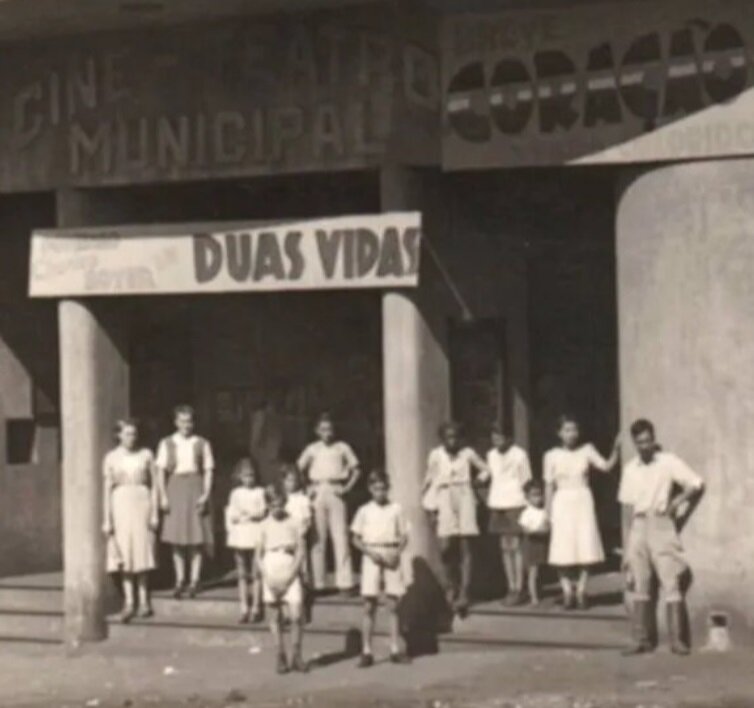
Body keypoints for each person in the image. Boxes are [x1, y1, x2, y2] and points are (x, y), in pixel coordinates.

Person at [619, 419, 704, 656]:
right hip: (638, 525)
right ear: (634, 443)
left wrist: (677, 502)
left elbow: (696, 483)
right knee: (640, 582)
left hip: (661, 523)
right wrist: (628, 543)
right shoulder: (630, 468)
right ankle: (640, 639)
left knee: (671, 581)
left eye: (647, 440)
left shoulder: (668, 462)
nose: (644, 446)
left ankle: (677, 641)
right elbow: (626, 506)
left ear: (654, 439)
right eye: (639, 442)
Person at [544, 415, 619, 610]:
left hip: (582, 501)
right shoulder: (551, 455)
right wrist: (547, 513)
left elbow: (606, 466)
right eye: (567, 430)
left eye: (574, 430)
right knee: (562, 548)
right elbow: (549, 486)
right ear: (559, 433)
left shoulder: (587, 450)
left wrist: (617, 448)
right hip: (562, 502)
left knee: (586, 546)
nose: (571, 434)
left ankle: (581, 591)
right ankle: (567, 590)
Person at [423, 421, 489, 615]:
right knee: (444, 547)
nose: (452, 441)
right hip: (444, 497)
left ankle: (464, 592)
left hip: (464, 495)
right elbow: (430, 480)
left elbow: (486, 470)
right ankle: (450, 586)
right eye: (448, 437)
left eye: (455, 437)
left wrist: (477, 481)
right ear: (442, 439)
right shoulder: (436, 455)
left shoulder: (467, 453)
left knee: (465, 545)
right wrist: (430, 507)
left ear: (460, 438)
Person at [351, 471, 411, 667]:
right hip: (372, 555)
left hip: (391, 552)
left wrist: (397, 552)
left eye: (383, 488)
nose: (380, 492)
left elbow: (404, 535)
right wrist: (369, 552)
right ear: (370, 489)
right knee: (369, 605)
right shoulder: (364, 510)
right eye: (376, 488)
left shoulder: (396, 509)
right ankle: (367, 651)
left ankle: (394, 648)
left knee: (393, 605)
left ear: (388, 488)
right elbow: (355, 539)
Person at [102, 418, 159, 622]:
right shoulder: (111, 458)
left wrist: (154, 513)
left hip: (142, 502)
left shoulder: (146, 455)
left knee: (142, 553)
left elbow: (155, 486)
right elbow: (107, 490)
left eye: (134, 433)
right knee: (125, 555)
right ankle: (129, 602)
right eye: (127, 433)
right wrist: (106, 518)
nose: (131, 438)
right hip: (121, 504)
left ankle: (144, 601)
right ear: (118, 435)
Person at [297, 413, 360, 595]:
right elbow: (299, 468)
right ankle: (319, 583)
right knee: (318, 538)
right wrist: (307, 487)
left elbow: (356, 469)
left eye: (330, 429)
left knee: (340, 536)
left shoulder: (342, 447)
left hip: (335, 489)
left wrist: (347, 487)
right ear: (317, 431)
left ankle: (345, 583)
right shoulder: (312, 449)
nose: (327, 433)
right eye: (323, 429)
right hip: (317, 491)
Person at [156, 405, 215, 598]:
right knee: (177, 540)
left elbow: (208, 470)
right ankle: (180, 579)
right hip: (175, 488)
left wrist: (206, 493)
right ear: (175, 422)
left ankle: (195, 580)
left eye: (189, 421)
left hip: (195, 487)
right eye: (182, 421)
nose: (186, 425)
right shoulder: (167, 443)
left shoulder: (202, 443)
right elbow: (160, 472)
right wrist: (163, 495)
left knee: (196, 539)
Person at [256, 483, 307, 674]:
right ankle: (280, 655)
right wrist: (266, 577)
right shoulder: (263, 525)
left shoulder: (294, 522)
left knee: (296, 615)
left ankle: (297, 654)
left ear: (284, 502)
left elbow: (301, 551)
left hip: (289, 565)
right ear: (268, 505)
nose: (276, 508)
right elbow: (258, 556)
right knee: (275, 615)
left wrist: (292, 574)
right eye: (272, 505)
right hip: (271, 567)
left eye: (279, 504)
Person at [483, 423, 532, 605]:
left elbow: (526, 479)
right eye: (494, 437)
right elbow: (487, 474)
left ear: (509, 438)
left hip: (515, 501)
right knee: (504, 546)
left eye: (500, 436)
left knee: (516, 546)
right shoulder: (490, 455)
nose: (496, 440)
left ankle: (520, 587)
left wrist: (528, 506)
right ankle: (510, 586)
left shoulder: (520, 454)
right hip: (497, 502)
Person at [225, 457, 266, 623]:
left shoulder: (260, 492)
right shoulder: (235, 493)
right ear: (240, 477)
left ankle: (256, 606)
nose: (249, 479)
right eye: (245, 476)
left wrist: (250, 514)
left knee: (256, 572)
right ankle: (244, 607)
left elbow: (262, 511)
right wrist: (238, 517)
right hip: (240, 533)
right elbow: (232, 513)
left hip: (255, 533)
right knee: (242, 572)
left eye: (251, 475)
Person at [282, 464, 314, 621]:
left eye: (294, 480)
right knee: (286, 574)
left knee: (302, 574)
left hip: (299, 540)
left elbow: (307, 522)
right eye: (288, 480)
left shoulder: (303, 500)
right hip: (284, 542)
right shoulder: (282, 500)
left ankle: (302, 611)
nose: (291, 483)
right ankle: (287, 611)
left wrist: (298, 536)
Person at [518, 480, 550, 606]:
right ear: (527, 497)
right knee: (532, 572)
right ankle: (533, 597)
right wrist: (539, 530)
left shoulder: (543, 511)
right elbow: (526, 530)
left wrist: (544, 529)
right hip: (531, 544)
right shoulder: (526, 512)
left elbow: (548, 527)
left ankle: (538, 591)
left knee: (539, 571)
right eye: (534, 495)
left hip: (541, 543)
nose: (538, 498)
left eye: (539, 494)